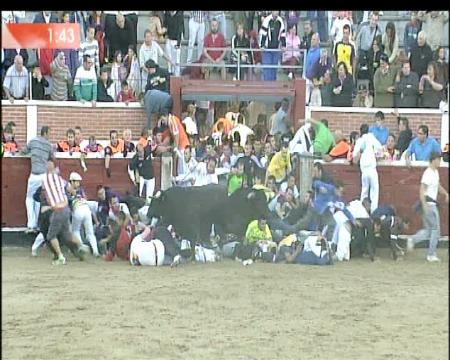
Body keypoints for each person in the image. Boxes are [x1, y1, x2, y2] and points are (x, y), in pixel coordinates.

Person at [41, 160, 90, 265]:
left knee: (51, 236)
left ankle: (60, 257)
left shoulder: (44, 179)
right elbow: (72, 190)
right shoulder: (59, 179)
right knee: (67, 235)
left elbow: (43, 195)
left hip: (57, 210)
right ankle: (82, 245)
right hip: (66, 209)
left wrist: (50, 205)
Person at [407, 152, 449, 262]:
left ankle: (412, 239)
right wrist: (425, 205)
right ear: (433, 160)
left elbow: (438, 185)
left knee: (429, 230)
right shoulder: (428, 173)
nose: (439, 162)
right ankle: (431, 254)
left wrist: (445, 193)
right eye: (438, 160)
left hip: (430, 204)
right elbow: (422, 190)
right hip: (429, 204)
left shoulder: (435, 172)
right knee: (435, 230)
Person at [21, 126, 53, 233]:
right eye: (49, 133)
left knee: (29, 198)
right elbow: (52, 158)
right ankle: (36, 226)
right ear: (45, 133)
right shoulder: (49, 145)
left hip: (34, 175)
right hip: (43, 176)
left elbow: (23, 151)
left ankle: (31, 225)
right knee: (38, 200)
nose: (49, 136)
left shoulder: (33, 141)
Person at [352, 123, 383, 213]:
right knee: (374, 191)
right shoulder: (371, 137)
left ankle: (362, 211)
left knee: (364, 191)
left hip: (364, 170)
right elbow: (380, 148)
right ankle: (374, 211)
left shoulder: (359, 141)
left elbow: (354, 159)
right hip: (372, 169)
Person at [67, 172, 100, 257]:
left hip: (77, 210)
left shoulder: (67, 189)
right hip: (86, 209)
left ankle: (81, 247)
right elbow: (85, 198)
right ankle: (95, 251)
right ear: (72, 181)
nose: (78, 183)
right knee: (90, 233)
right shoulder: (81, 190)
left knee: (75, 230)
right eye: (77, 182)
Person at [259, 11, 286, 81]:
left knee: (274, 70)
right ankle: (267, 87)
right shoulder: (267, 20)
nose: (276, 12)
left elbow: (282, 34)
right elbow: (263, 34)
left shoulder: (280, 21)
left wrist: (283, 45)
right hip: (267, 49)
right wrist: (262, 45)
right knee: (267, 69)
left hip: (276, 49)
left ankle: (273, 87)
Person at [163, 11, 184, 77]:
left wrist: (178, 43)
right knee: (169, 60)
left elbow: (180, 29)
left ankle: (177, 76)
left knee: (177, 60)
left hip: (176, 40)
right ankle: (170, 75)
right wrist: (164, 35)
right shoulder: (167, 13)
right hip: (169, 39)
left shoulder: (179, 14)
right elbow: (165, 24)